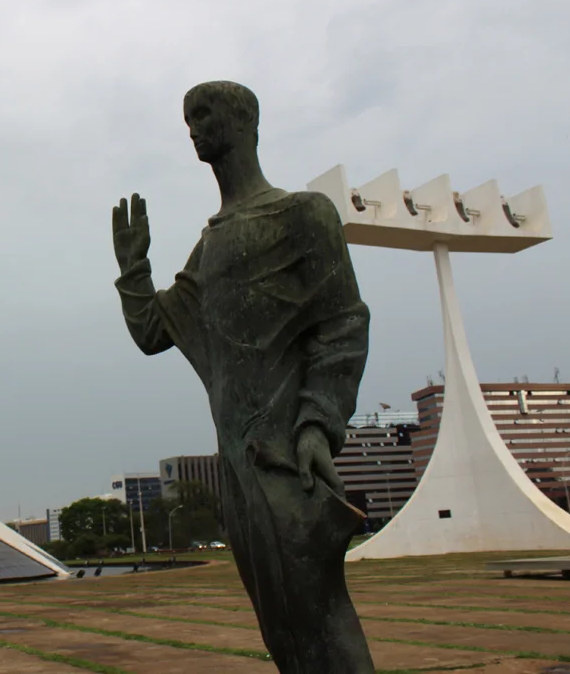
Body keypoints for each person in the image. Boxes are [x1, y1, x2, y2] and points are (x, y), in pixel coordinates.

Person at [112, 80, 375, 671]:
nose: (194, 128)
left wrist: (317, 423)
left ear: (245, 121)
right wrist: (133, 270)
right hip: (238, 472)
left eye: (205, 114)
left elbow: (343, 325)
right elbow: (154, 331)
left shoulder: (302, 215)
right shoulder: (212, 246)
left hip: (286, 458)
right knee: (283, 629)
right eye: (188, 118)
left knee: (320, 616)